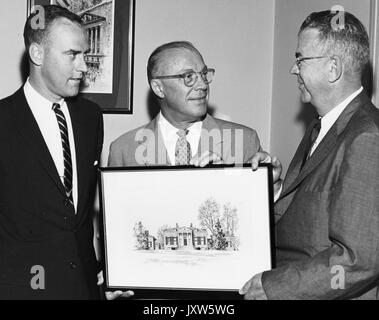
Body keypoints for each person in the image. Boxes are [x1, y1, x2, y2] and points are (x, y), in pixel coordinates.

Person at [240, 10, 379, 300]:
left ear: (333, 69)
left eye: (300, 59)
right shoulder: (322, 127)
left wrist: (276, 287)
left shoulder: (368, 137)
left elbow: (357, 261)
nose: (293, 69)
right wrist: (276, 186)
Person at [0, 5, 106, 299]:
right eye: (72, 54)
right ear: (37, 54)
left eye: (84, 55)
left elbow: (84, 215)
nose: (83, 66)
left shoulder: (91, 117)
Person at [108, 41, 261, 167]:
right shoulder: (123, 150)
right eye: (188, 76)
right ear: (159, 88)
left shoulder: (244, 141)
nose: (202, 85)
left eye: (203, 74)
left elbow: (257, 202)